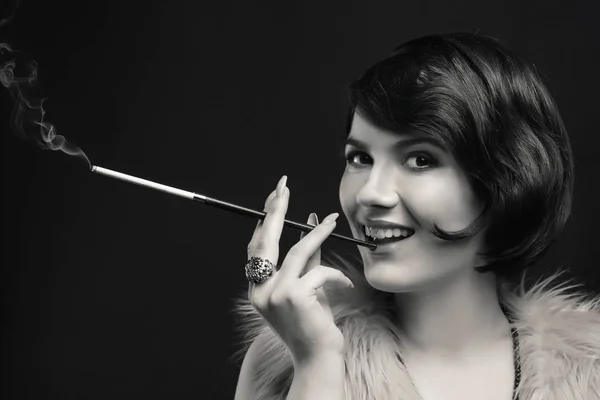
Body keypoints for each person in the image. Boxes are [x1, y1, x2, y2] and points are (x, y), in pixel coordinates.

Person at [233, 33, 600, 400]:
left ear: (506, 179)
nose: (369, 193)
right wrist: (316, 365)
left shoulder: (591, 370)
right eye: (360, 158)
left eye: (420, 160)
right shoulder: (283, 362)